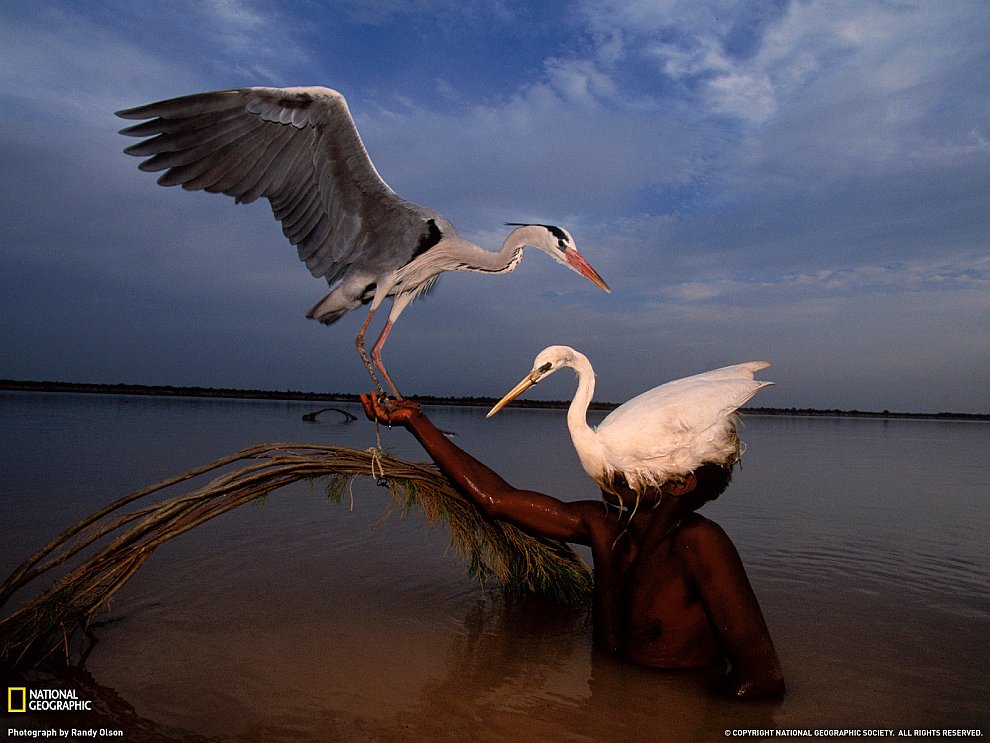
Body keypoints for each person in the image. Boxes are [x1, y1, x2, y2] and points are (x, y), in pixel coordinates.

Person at [360, 393, 785, 699]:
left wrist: (684, 723)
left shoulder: (699, 544)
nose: (613, 471)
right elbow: (497, 501)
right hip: (603, 695)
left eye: (633, 465)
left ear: (679, 482)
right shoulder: (602, 525)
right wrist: (416, 421)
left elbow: (761, 679)